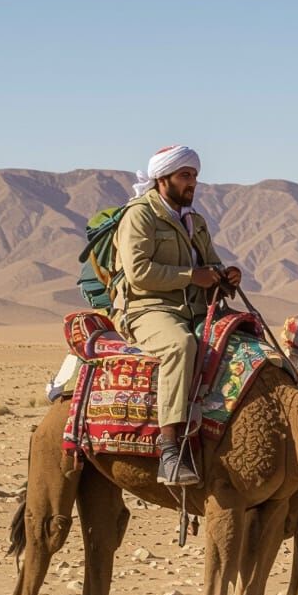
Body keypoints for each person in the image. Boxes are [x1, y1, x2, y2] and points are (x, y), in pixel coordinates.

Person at [113, 145, 241, 486]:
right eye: (185, 176)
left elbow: (209, 262)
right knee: (181, 346)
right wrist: (190, 276)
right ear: (162, 178)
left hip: (196, 307)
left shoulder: (193, 220)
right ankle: (170, 449)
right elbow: (138, 272)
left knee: (246, 342)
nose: (192, 183)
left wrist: (224, 274)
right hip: (149, 308)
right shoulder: (139, 215)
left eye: (195, 176)